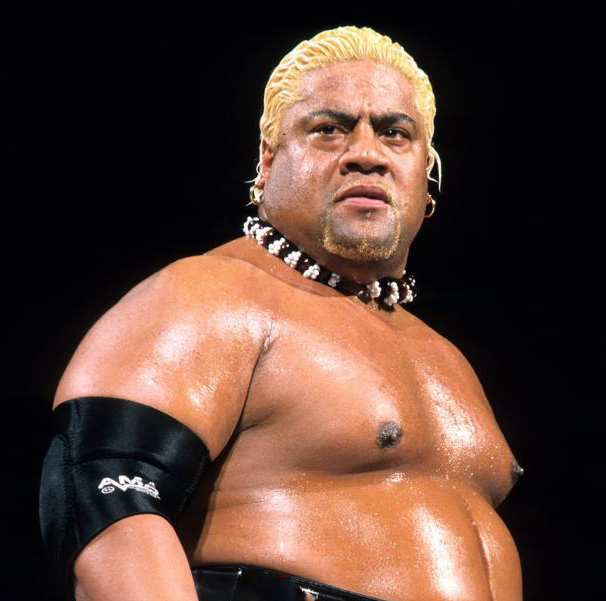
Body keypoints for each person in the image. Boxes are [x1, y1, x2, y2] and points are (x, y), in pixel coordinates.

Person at [39, 25, 523, 601]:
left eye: (395, 134)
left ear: (425, 178)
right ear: (267, 162)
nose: (367, 154)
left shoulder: (447, 359)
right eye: (329, 130)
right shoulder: (212, 294)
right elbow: (101, 500)